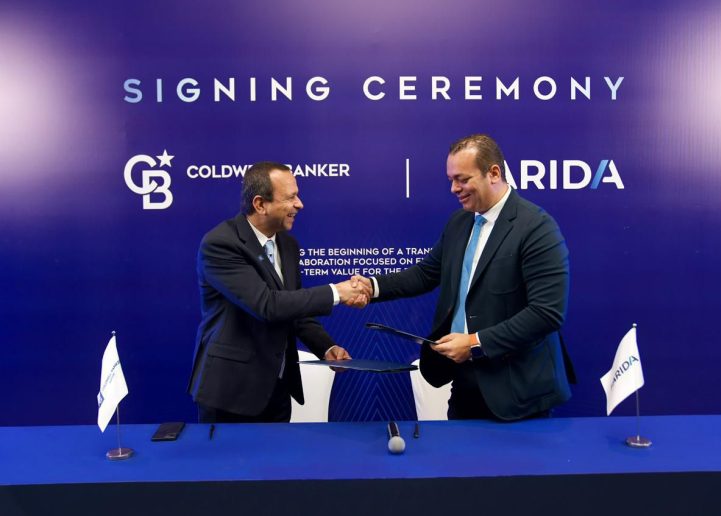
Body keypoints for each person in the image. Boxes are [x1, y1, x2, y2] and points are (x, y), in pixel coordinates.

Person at [353, 134, 575, 421]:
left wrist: (474, 343)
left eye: (462, 179)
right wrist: (372, 287)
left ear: (493, 173)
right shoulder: (459, 223)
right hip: (464, 381)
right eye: (451, 180)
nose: (454, 188)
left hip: (519, 392)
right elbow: (425, 274)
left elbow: (546, 313)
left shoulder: (537, 227)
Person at [188, 161, 370, 423]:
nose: (300, 204)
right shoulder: (221, 243)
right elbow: (268, 305)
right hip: (231, 393)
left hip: (277, 389)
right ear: (260, 204)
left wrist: (326, 347)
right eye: (291, 197)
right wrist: (337, 292)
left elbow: (294, 308)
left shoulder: (288, 244)